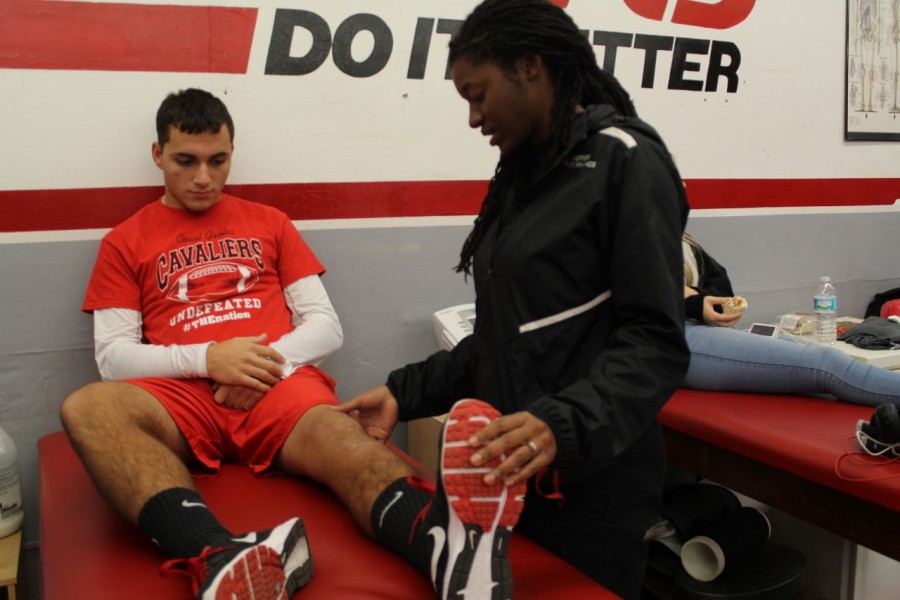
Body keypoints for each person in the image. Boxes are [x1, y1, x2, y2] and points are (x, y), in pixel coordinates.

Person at [60, 88, 475, 600]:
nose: (204, 177)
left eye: (218, 160)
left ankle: (444, 550)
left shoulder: (269, 222)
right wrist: (208, 359)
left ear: (233, 152)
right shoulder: (124, 241)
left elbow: (326, 326)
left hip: (277, 385)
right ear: (157, 155)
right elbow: (113, 358)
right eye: (185, 161)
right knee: (87, 408)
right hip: (183, 397)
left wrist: (263, 369)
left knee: (347, 439)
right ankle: (218, 555)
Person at [339, 1, 691, 598]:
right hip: (509, 474)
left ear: (530, 67)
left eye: (479, 95)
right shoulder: (523, 175)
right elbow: (508, 338)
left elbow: (654, 341)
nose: (475, 118)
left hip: (591, 490)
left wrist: (563, 425)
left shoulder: (626, 160)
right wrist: (405, 390)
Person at [682, 233, 900, 408]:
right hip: (675, 338)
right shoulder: (649, 242)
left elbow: (722, 296)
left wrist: (693, 297)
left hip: (702, 329)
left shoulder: (682, 240)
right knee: (826, 365)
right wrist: (688, 300)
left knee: (805, 348)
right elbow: (653, 299)